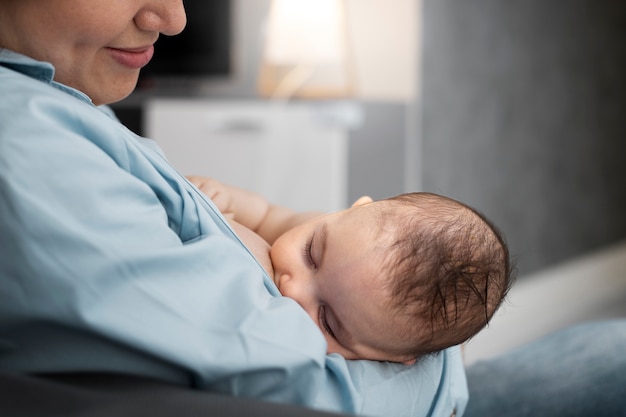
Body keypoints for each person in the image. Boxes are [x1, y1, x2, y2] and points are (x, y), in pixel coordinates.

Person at [0, 2, 467, 417]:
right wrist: (436, 361)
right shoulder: (26, 140)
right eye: (311, 254)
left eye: (328, 320)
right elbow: (302, 391)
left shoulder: (66, 95)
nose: (175, 19)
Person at [188, 176, 513, 364]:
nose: (292, 288)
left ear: (390, 358)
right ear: (354, 210)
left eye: (328, 322)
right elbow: (264, 214)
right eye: (310, 254)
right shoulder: (310, 225)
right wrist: (226, 200)